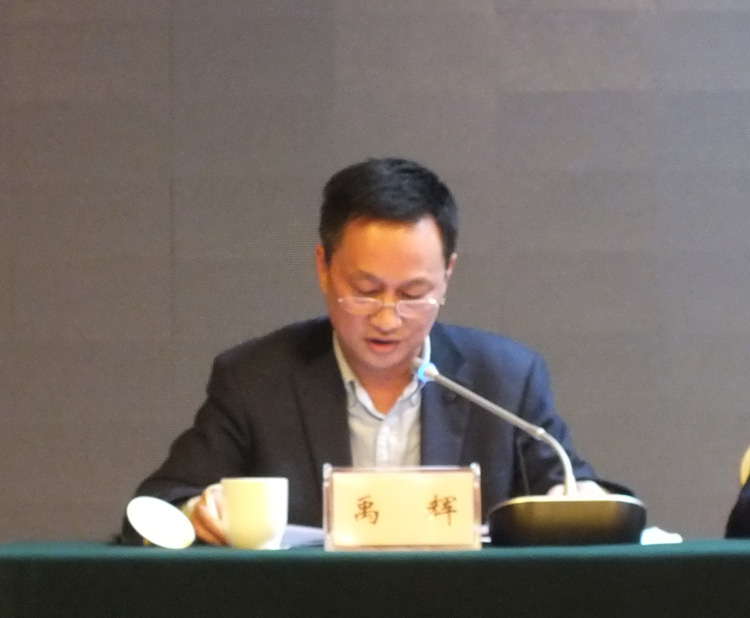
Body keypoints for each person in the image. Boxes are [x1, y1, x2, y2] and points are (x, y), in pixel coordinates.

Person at [122, 157, 624, 545]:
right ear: (323, 268)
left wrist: (583, 501)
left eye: (413, 294)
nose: (387, 318)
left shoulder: (505, 380)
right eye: (364, 291)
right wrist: (193, 513)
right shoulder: (256, 380)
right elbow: (154, 508)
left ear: (448, 275)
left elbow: (576, 496)